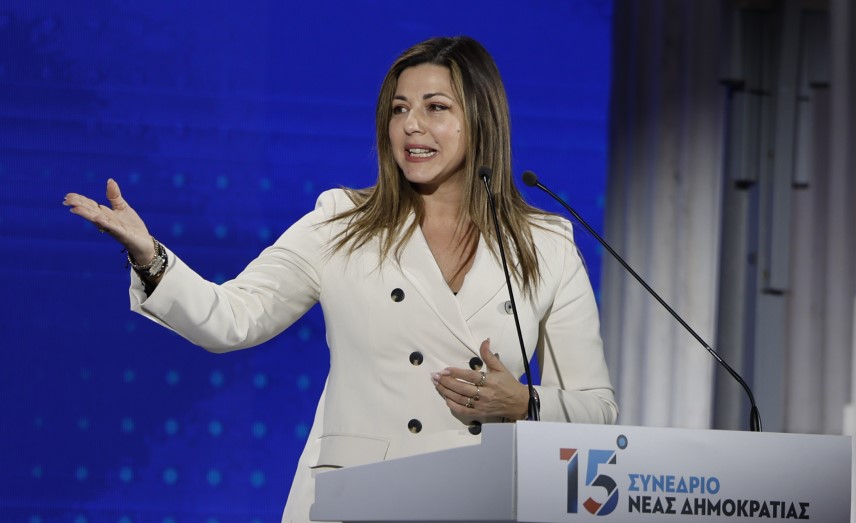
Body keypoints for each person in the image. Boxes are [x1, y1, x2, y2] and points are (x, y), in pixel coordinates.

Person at [63, 36, 618, 522]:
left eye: (435, 107)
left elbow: (597, 409)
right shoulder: (342, 223)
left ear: (482, 119)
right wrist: (150, 257)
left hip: (479, 499)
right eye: (399, 109)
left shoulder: (545, 245)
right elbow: (232, 319)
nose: (411, 125)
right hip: (357, 500)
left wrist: (524, 403)